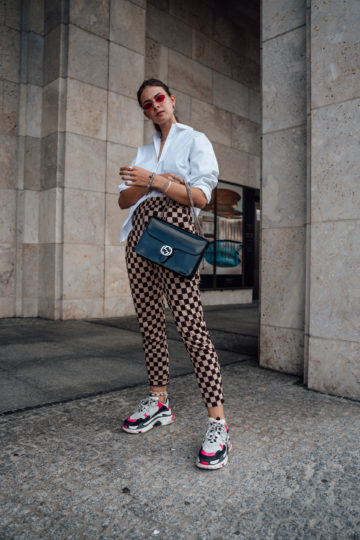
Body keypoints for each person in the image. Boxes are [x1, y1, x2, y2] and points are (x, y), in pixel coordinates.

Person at [118, 79, 231, 470]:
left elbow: (200, 196)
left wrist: (152, 181)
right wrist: (165, 183)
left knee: (190, 326)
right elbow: (123, 199)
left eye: (159, 99)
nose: (155, 107)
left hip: (176, 236)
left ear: (172, 99)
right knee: (149, 323)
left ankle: (218, 423)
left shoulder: (194, 140)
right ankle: (159, 401)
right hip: (139, 239)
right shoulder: (144, 149)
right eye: (147, 105)